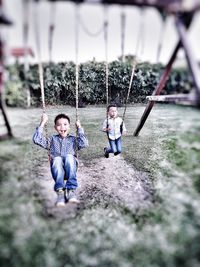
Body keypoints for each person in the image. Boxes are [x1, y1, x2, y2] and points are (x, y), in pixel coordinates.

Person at [33, 113, 88, 207]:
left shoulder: (73, 140)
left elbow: (85, 143)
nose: (62, 127)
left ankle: (70, 190)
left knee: (69, 157)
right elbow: (36, 139)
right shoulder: (52, 140)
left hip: (70, 167)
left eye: (65, 124)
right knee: (57, 159)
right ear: (55, 127)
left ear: (69, 127)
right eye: (59, 125)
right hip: (58, 169)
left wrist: (79, 128)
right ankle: (60, 193)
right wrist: (42, 123)